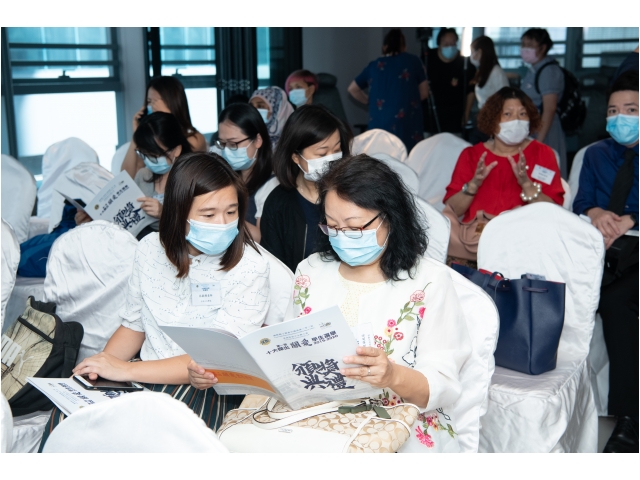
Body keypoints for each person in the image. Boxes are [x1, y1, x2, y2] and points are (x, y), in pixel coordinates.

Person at [38, 152, 271, 451]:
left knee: (147, 437)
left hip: (202, 386)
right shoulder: (149, 249)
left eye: (231, 211)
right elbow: (134, 326)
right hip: (144, 373)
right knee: (70, 418)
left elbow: (215, 358)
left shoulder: (250, 267)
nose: (223, 224)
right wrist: (101, 367)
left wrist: (125, 371)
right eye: (209, 215)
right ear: (178, 212)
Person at [292, 155, 471, 452]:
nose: (343, 238)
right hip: (318, 422)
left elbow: (442, 385)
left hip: (398, 427)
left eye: (355, 228)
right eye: (332, 227)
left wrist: (392, 375)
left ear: (390, 217)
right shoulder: (311, 272)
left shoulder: (428, 282)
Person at [572, 70, 638, 453]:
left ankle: (628, 419)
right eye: (613, 111)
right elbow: (581, 201)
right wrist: (597, 213)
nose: (620, 118)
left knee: (614, 302)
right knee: (569, 294)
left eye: (631, 109)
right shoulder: (595, 154)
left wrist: (633, 219)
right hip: (600, 247)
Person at [443, 87, 564, 266]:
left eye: (522, 114)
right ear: (492, 120)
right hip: (474, 246)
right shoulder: (471, 155)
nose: (516, 120)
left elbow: (554, 211)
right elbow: (453, 209)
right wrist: (473, 185)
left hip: (525, 248)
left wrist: (527, 185)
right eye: (508, 114)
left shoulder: (543, 154)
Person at [260, 104, 352, 272]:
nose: (331, 159)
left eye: (337, 150)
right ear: (296, 157)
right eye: (322, 154)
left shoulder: (353, 195)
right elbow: (275, 269)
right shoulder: (278, 203)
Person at [348, 28, 429, 151]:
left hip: (378, 127)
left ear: (384, 47)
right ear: (404, 47)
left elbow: (352, 89)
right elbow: (424, 93)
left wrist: (370, 102)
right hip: (406, 126)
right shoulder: (413, 61)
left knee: (380, 158)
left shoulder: (374, 66)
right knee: (408, 157)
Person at [121, 76, 207, 180]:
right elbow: (125, 178)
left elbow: (181, 170)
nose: (152, 106)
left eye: (157, 101)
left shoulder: (195, 139)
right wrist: (137, 134)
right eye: (149, 101)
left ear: (173, 102)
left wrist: (167, 119)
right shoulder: (150, 140)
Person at [215, 103, 275, 243]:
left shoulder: (271, 184)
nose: (227, 150)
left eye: (233, 144)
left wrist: (223, 216)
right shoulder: (229, 176)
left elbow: (261, 237)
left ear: (257, 140)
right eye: (222, 144)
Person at [132, 112, 193, 237]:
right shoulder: (143, 175)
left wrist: (163, 213)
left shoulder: (191, 178)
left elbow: (197, 226)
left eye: (154, 156)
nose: (148, 160)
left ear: (176, 150)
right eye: (144, 154)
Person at [519, 28, 567, 178]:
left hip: (545, 131)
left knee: (545, 175)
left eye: (530, 45)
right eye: (523, 44)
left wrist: (539, 142)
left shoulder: (548, 71)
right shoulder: (533, 69)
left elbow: (549, 109)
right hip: (533, 130)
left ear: (543, 47)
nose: (525, 49)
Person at [424, 28, 476, 136]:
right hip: (430, 120)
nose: (450, 47)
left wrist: (466, 113)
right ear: (439, 44)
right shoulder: (428, 60)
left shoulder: (465, 64)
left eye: (453, 43)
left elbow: (471, 91)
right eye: (446, 44)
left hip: (455, 121)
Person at [467, 35, 509, 144]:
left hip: (492, 121)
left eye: (472, 51)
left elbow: (505, 99)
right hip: (484, 119)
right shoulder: (484, 71)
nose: (472, 55)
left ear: (479, 52)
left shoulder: (496, 72)